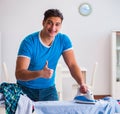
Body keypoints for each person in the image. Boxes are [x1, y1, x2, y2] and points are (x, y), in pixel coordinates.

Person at [15, 9, 88, 101]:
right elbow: (19, 73)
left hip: (48, 90)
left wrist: (81, 83)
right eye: (50, 23)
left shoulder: (63, 40)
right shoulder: (29, 42)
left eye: (57, 24)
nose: (53, 28)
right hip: (25, 89)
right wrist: (40, 73)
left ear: (61, 26)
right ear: (43, 23)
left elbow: (72, 65)